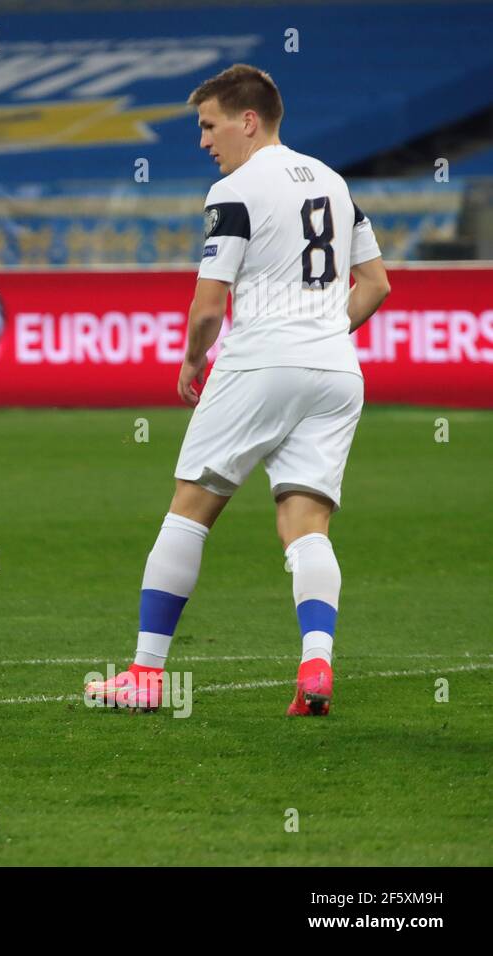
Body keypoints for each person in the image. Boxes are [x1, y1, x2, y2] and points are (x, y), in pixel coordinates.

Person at [85, 65, 391, 716]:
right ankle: (315, 665)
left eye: (208, 124)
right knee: (306, 524)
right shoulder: (336, 183)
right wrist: (321, 334)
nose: (202, 140)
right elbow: (376, 284)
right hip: (336, 369)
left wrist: (194, 360)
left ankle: (144, 674)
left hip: (260, 362)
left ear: (247, 120)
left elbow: (207, 306)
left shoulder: (236, 189)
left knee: (189, 507)